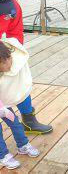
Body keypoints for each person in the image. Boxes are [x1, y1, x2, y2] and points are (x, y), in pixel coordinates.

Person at [0, 0, 52, 134]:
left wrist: (11, 56)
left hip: (5, 46)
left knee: (19, 77)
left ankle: (29, 121)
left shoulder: (12, 6)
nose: (5, 11)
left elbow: (16, 34)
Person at [0, 39, 40, 169]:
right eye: (3, 64)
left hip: (3, 105)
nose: (8, 65)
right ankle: (3, 155)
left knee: (15, 123)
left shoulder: (12, 58)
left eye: (7, 60)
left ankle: (23, 145)